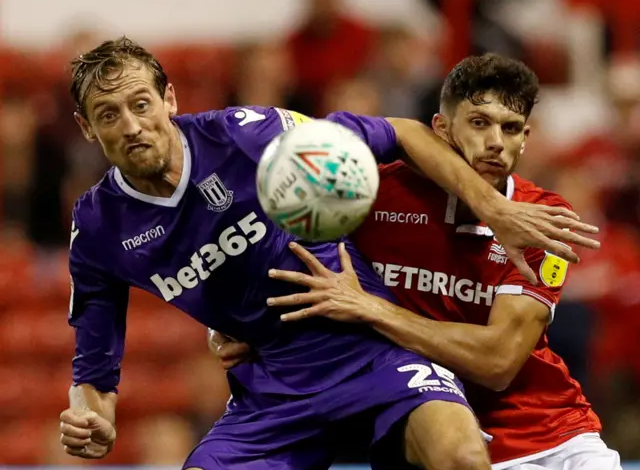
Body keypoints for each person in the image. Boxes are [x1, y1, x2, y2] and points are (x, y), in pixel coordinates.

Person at [58, 37, 598, 470]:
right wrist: (93, 417)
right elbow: (94, 371)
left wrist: (492, 208)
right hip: (274, 387)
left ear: (169, 99)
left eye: (141, 104)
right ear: (86, 128)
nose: (131, 126)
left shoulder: (250, 137)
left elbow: (400, 132)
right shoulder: (98, 230)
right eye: (108, 114)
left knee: (458, 456)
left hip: (373, 352)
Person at [236, 54, 619, 469]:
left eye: (510, 129)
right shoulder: (374, 195)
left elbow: (498, 362)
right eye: (478, 122)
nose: (496, 142)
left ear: (525, 137)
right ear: (441, 129)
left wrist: (370, 309)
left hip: (553, 432)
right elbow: (264, 241)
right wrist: (234, 326)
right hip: (429, 426)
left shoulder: (540, 216)